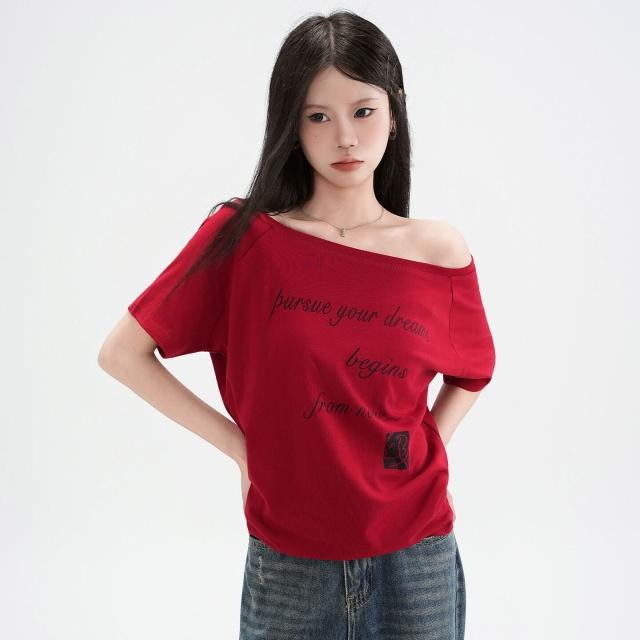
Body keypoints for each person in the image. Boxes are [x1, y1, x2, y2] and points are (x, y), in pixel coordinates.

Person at [98, 9, 496, 640]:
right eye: (319, 117)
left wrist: (426, 454)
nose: (346, 138)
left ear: (394, 113)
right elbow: (123, 352)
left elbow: (472, 373)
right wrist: (241, 448)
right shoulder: (245, 241)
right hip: (290, 563)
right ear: (290, 123)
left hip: (416, 557)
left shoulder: (437, 250)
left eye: (363, 111)